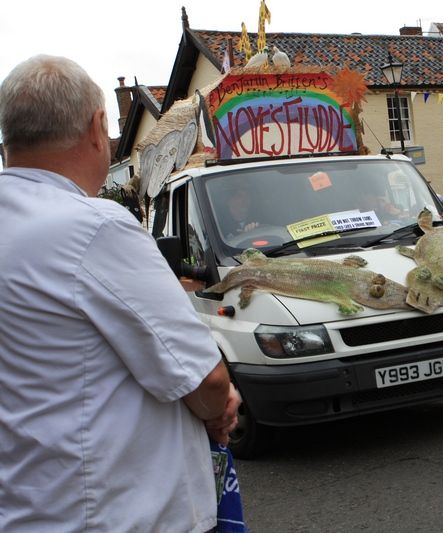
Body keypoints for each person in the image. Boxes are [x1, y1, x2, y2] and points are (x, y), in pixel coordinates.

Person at [0, 55, 241, 531]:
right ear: (96, 128)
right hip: (118, 514)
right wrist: (220, 410)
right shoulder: (92, 227)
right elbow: (206, 381)